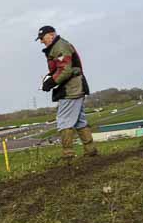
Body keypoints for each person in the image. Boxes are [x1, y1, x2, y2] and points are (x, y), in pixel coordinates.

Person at [36, 25, 98, 161]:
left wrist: (51, 82)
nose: (41, 41)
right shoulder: (60, 46)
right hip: (76, 87)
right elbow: (62, 68)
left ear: (51, 35)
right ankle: (91, 150)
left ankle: (68, 155)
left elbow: (65, 70)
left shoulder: (60, 47)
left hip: (71, 89)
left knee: (64, 121)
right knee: (80, 121)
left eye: (42, 38)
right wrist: (50, 78)